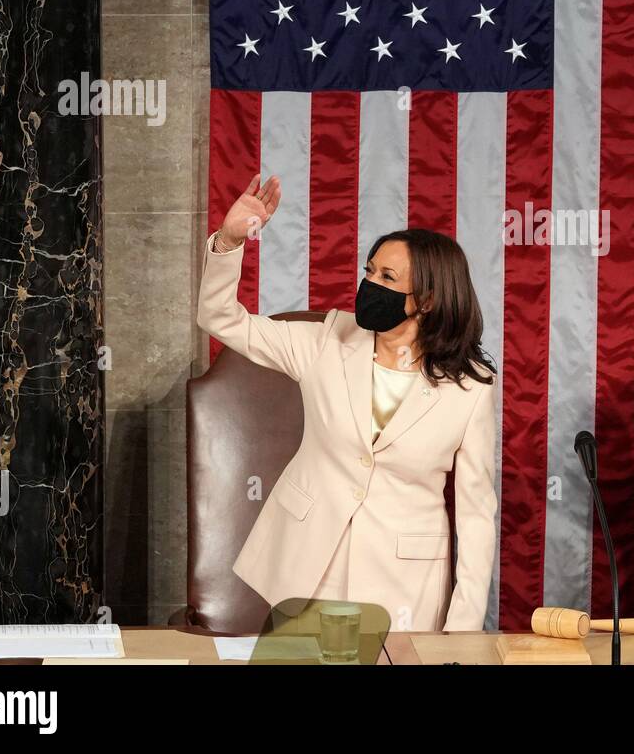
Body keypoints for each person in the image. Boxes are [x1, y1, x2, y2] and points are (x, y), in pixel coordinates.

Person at [197, 173, 498, 631]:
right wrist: (229, 240)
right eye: (369, 271)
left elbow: (477, 516)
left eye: (387, 277)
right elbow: (220, 318)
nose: (370, 282)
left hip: (404, 590)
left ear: (430, 299)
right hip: (307, 579)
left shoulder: (471, 389)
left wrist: (462, 629)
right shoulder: (325, 340)